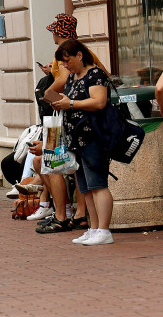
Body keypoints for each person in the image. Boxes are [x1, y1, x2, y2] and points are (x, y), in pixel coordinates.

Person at [44, 39, 116, 245]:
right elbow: (65, 98)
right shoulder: (73, 77)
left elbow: (99, 102)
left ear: (80, 55)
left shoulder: (95, 74)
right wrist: (61, 102)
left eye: (68, 61)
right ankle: (94, 228)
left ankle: (104, 230)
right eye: (63, 63)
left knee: (98, 185)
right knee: (86, 188)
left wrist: (71, 103)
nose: (66, 66)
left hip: (93, 136)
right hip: (76, 139)